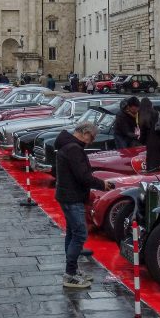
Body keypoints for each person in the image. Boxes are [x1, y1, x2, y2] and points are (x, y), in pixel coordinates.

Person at [54, 122, 115, 289]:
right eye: (92, 137)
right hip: (72, 197)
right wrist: (102, 184)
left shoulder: (66, 145)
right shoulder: (74, 149)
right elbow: (83, 176)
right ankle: (70, 274)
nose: (91, 141)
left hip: (67, 195)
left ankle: (73, 270)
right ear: (84, 133)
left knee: (72, 233)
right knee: (80, 234)